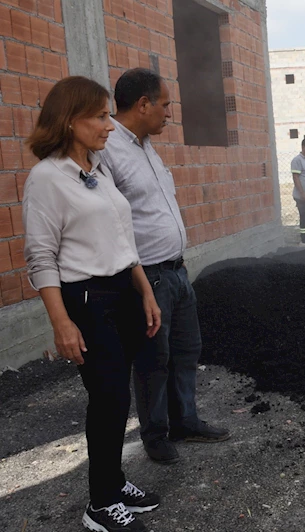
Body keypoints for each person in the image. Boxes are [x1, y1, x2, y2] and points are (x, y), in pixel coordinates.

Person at [23, 76, 162, 532]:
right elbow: (40, 258)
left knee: (118, 398)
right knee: (109, 398)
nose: (108, 125)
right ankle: (100, 503)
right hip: (85, 299)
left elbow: (123, 238)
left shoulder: (97, 168)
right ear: (69, 120)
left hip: (122, 290)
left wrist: (144, 290)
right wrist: (61, 322)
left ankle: (116, 482)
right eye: (100, 116)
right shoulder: (47, 177)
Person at [99, 68, 229, 466]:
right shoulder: (107, 151)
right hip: (147, 277)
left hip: (176, 271)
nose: (170, 113)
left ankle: (184, 421)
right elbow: (110, 222)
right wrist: (138, 284)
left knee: (186, 350)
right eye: (165, 104)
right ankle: (155, 435)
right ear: (142, 105)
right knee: (153, 359)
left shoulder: (145, 146)